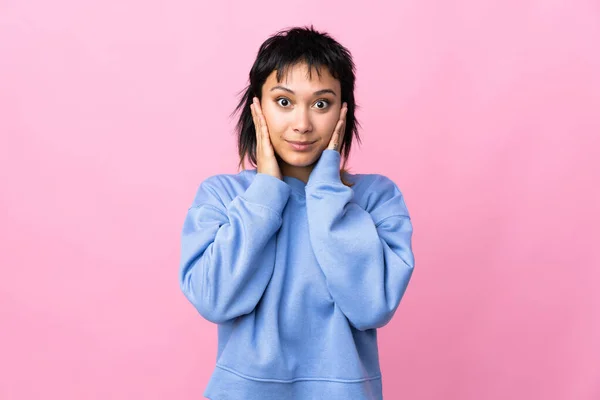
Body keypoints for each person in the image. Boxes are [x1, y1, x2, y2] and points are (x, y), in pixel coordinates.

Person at [179, 25, 415, 400]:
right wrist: (267, 191)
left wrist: (324, 189)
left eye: (321, 103)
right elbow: (214, 300)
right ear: (257, 106)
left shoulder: (375, 198)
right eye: (284, 102)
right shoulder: (223, 196)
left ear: (343, 110)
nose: (302, 124)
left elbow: (372, 306)